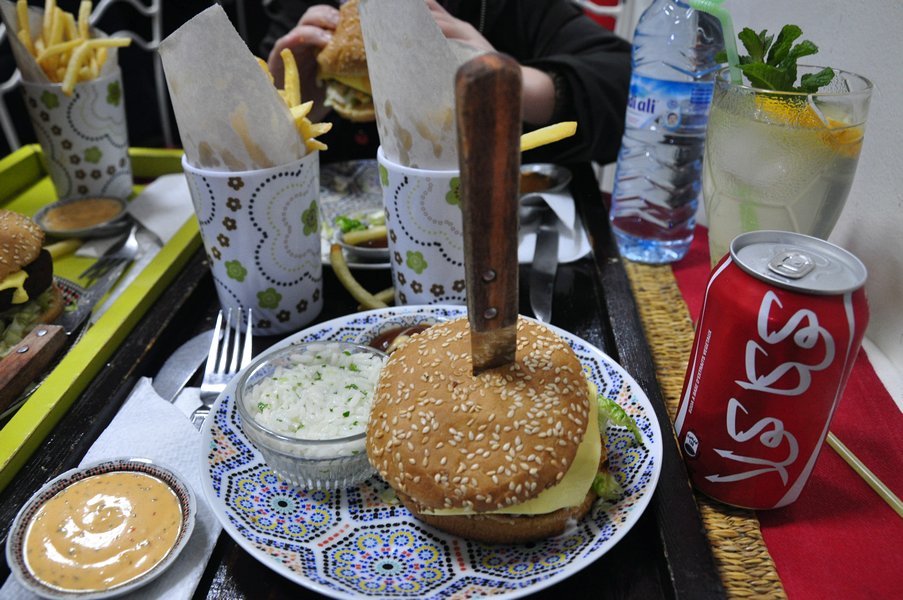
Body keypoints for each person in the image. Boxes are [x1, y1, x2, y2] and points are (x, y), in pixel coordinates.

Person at [262, 0, 631, 165]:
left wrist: (506, 80)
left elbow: (627, 85)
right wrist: (282, 109)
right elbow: (230, 141)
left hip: (501, 234)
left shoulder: (502, 7)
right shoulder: (308, 13)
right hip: (331, 233)